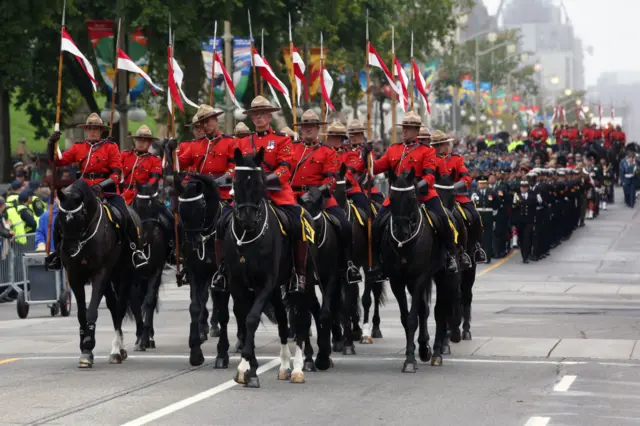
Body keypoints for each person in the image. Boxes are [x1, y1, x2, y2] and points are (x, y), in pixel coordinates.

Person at [217, 96, 308, 292]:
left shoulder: (282, 140)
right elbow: (235, 168)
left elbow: (285, 168)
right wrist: (229, 177)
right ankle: (223, 270)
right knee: (221, 223)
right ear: (251, 118)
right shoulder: (240, 143)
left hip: (277, 193)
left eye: (262, 114)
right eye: (255, 114)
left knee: (298, 224)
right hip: (249, 196)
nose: (259, 118)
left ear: (269, 116)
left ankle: (298, 273)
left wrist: (266, 180)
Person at [45, 112, 147, 270]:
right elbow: (57, 161)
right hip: (81, 191)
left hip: (104, 190)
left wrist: (102, 186)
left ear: (101, 131)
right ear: (86, 130)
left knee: (125, 214)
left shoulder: (110, 147)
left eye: (96, 129)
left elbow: (116, 174)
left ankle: (135, 250)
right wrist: (52, 144)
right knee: (62, 217)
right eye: (90, 128)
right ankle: (58, 254)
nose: (93, 131)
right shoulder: (78, 147)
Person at [368, 111, 459, 273]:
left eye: (408, 128)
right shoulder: (393, 150)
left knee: (444, 219)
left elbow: (430, 175)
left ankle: (450, 256)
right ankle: (379, 263)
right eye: (404, 128)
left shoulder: (427, 150)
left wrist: (419, 186)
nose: (404, 131)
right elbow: (374, 168)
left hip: (423, 195)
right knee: (376, 225)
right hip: (398, 196)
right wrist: (366, 155)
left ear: (417, 131)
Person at [292, 111, 362, 284]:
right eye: (305, 126)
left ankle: (348, 265)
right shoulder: (291, 147)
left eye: (311, 126)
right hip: (293, 196)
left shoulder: (327, 151)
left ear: (317, 129)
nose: (308, 129)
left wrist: (319, 190)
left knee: (345, 225)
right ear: (301, 129)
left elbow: (331, 178)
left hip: (319, 197)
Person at [430, 131, 487, 263]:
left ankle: (475, 248)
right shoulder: (430, 160)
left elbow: (466, 177)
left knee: (474, 216)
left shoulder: (456, 159)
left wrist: (455, 186)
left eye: (447, 143)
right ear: (438, 146)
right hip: (434, 196)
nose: (447, 146)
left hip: (455, 196)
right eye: (444, 144)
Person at [326, 121, 368, 212]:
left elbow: (349, 171)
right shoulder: (323, 154)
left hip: (349, 189)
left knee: (364, 205)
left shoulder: (351, 154)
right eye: (333, 137)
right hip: (327, 190)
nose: (336, 140)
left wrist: (340, 181)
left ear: (342, 139)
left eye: (338, 138)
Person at [120, 125, 163, 205]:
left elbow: (154, 179)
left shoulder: (155, 160)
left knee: (167, 216)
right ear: (135, 141)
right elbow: (116, 174)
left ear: (150, 143)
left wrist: (145, 190)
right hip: (124, 196)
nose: (141, 143)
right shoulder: (124, 155)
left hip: (144, 197)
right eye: (139, 140)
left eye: (145, 140)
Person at [347, 119, 385, 205]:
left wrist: (365, 154)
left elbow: (369, 169)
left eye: (357, 134)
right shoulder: (345, 150)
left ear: (361, 135)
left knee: (382, 205)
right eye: (352, 135)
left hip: (365, 187)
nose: (354, 137)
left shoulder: (367, 150)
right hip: (347, 187)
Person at [470, 175, 499, 263]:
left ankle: (488, 256)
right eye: (480, 184)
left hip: (488, 216)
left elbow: (497, 202)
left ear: (486, 184)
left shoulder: (491, 192)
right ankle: (479, 256)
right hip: (478, 216)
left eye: (484, 183)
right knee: (478, 237)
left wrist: (494, 212)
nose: (482, 185)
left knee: (488, 237)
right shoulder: (475, 192)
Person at [512, 180, 540, 263]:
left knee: (527, 237)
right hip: (520, 221)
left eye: (525, 187)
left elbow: (534, 209)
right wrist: (514, 222)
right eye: (522, 187)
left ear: (527, 188)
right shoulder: (517, 196)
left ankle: (526, 256)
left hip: (529, 220)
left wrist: (535, 219)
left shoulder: (532, 196)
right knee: (521, 238)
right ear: (520, 188)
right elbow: (514, 210)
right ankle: (523, 254)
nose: (523, 189)